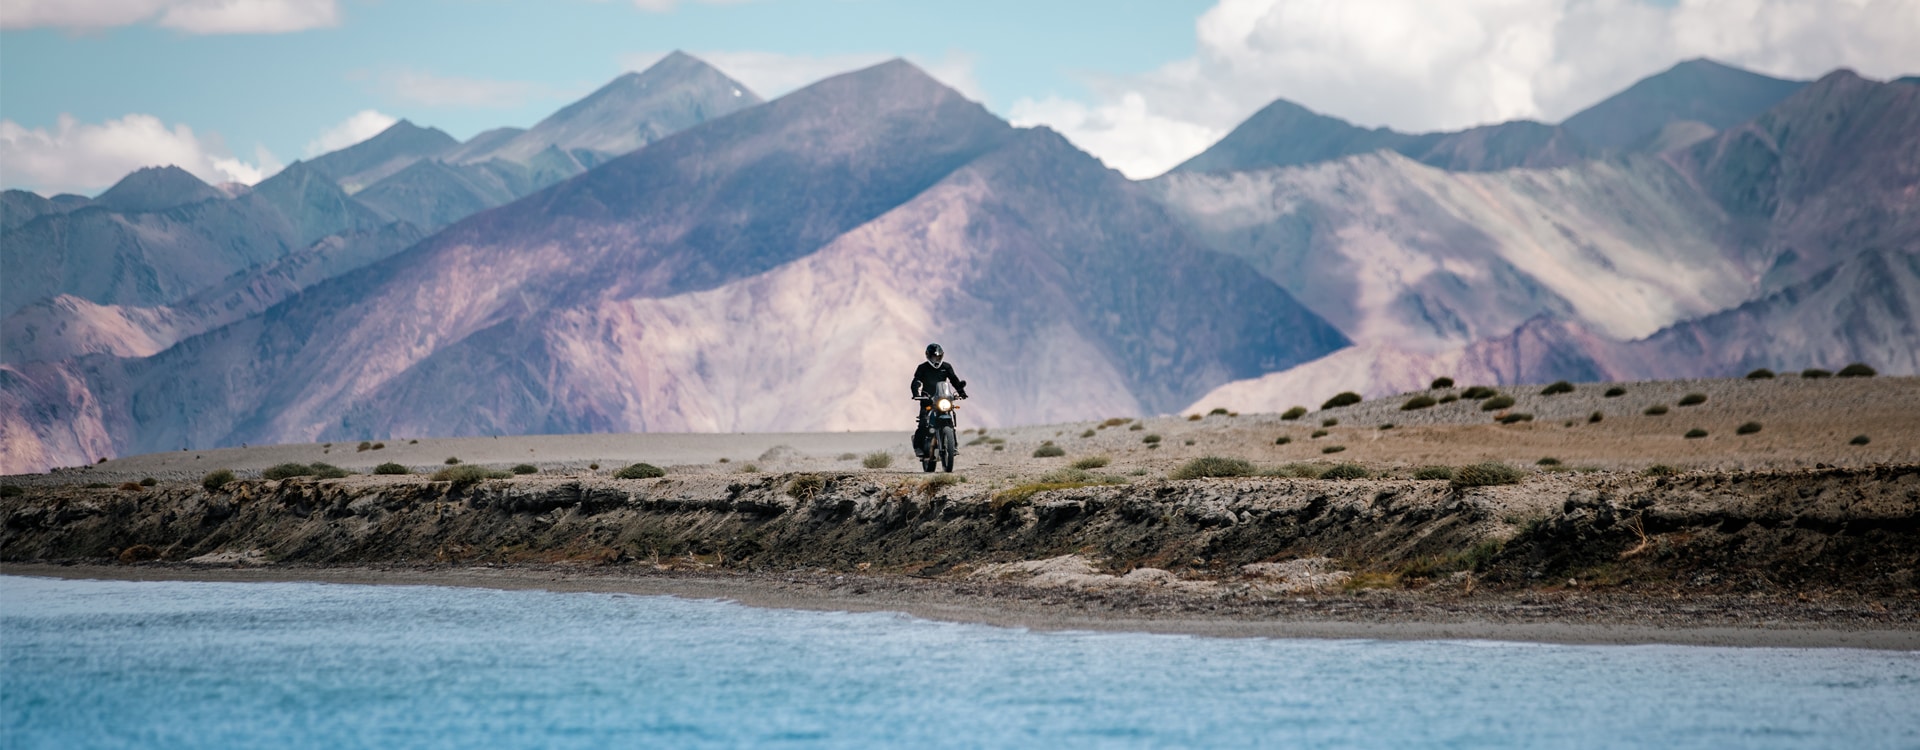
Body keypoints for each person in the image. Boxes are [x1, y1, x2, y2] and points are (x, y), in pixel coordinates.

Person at [911, 343, 967, 460]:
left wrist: (961, 392)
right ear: (928, 356)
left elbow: (954, 380)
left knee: (950, 421)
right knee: (923, 422)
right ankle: (918, 447)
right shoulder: (923, 368)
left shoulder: (946, 367)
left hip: (943, 399)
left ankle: (953, 446)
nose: (936, 359)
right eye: (933, 357)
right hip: (927, 400)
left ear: (942, 356)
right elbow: (916, 381)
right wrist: (916, 393)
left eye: (938, 357)